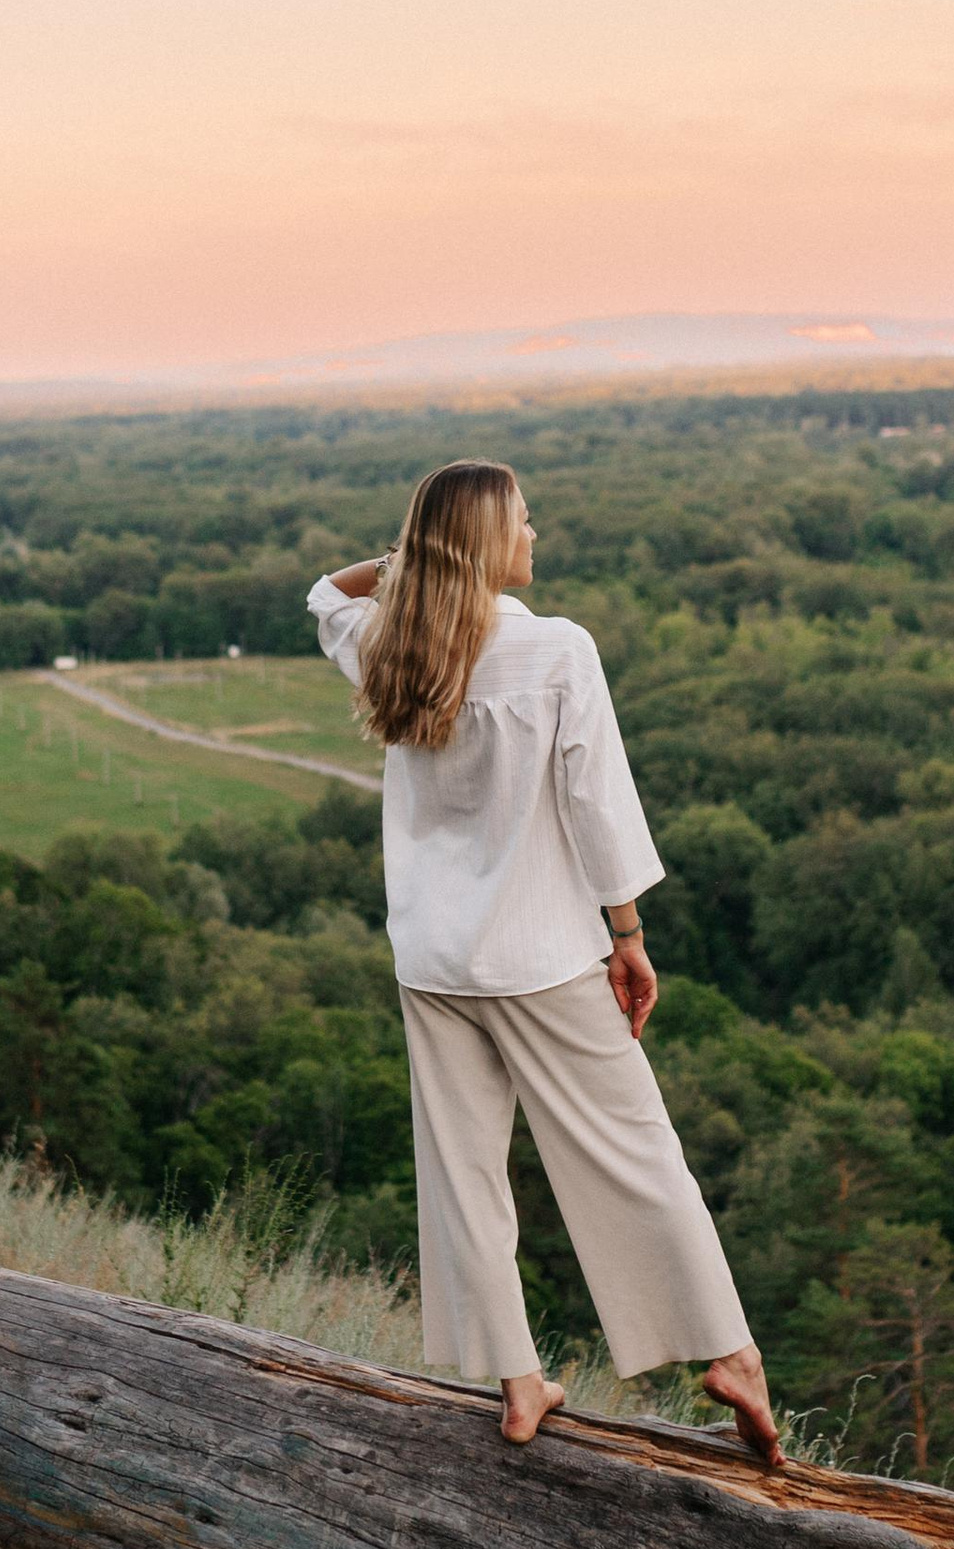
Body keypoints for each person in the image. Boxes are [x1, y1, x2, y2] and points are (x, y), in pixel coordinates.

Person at [309, 460, 781, 1461]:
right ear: (489, 542)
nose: (536, 535)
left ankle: (519, 1385)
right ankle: (728, 1353)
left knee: (463, 1174)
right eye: (523, 521)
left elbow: (323, 593)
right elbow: (598, 803)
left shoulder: (394, 644)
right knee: (635, 1149)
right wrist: (628, 937)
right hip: (542, 954)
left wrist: (410, 564)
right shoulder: (557, 650)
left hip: (433, 960)